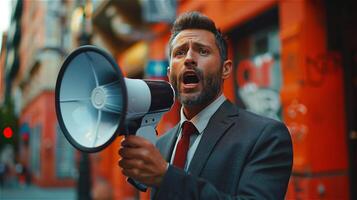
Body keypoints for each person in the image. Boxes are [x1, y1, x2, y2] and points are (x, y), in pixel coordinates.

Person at [118, 11, 293, 199]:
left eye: (203, 51)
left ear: (225, 69)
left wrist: (167, 177)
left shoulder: (266, 137)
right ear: (169, 74)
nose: (189, 58)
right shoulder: (161, 145)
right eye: (180, 52)